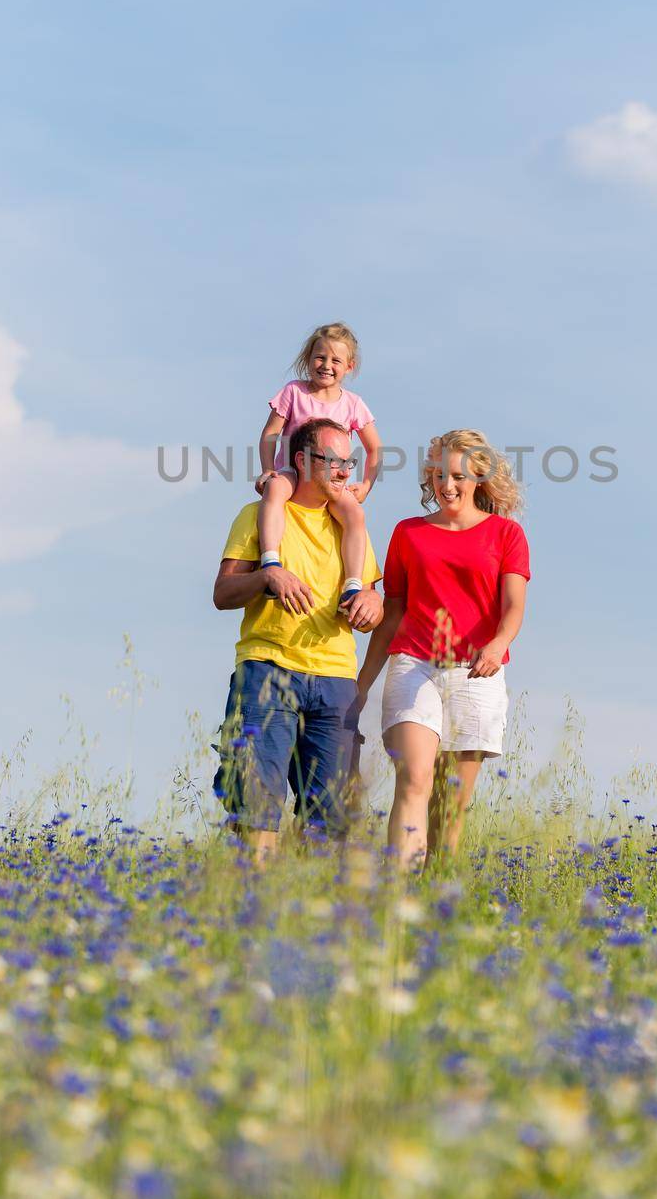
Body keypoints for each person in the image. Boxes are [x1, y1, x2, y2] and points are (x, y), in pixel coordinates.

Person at [353, 429, 530, 870]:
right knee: (414, 780)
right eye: (438, 475)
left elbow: (512, 609)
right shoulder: (409, 533)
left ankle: (432, 906)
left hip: (476, 673)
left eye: (458, 476)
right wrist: (361, 684)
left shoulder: (506, 535)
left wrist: (497, 644)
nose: (447, 486)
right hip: (414, 665)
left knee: (448, 811)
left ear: (479, 479)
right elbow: (392, 612)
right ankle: (398, 896)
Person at [213, 417, 384, 856]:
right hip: (267, 671)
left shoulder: (352, 529)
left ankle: (311, 915)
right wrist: (268, 576)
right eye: (334, 462)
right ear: (303, 461)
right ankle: (254, 909)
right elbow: (223, 593)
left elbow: (373, 599)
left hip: (336, 682)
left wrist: (371, 607)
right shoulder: (258, 516)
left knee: (330, 819)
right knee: (255, 806)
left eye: (350, 462)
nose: (346, 472)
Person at [255, 322, 382, 611]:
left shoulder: (352, 404)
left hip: (329, 482)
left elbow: (375, 448)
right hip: (293, 473)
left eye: (335, 360)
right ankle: (270, 559)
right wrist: (267, 469)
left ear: (349, 366)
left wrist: (365, 484)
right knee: (274, 490)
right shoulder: (294, 392)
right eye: (320, 357)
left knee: (354, 515)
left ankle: (351, 587)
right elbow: (270, 433)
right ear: (308, 358)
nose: (326, 365)